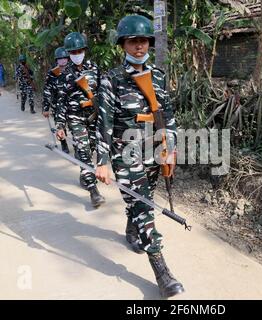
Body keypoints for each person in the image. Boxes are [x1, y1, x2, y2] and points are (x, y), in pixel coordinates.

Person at [95, 15, 184, 298]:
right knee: (144, 206)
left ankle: (132, 229)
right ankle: (162, 271)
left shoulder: (158, 75)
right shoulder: (111, 79)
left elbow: (167, 113)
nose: (139, 47)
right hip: (125, 153)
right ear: (123, 44)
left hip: (154, 150)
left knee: (145, 196)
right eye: (133, 41)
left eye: (143, 41)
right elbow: (104, 122)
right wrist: (103, 161)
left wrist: (171, 145)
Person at [55, 32, 105, 208]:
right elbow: (60, 101)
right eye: (73, 52)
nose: (77, 54)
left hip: (93, 116)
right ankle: (93, 191)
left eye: (79, 50)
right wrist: (59, 125)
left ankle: (84, 172)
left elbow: (103, 91)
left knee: (90, 148)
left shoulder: (94, 68)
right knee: (83, 151)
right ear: (68, 53)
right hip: (75, 117)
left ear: (84, 50)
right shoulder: (64, 74)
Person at [42, 47, 70, 153]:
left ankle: (78, 147)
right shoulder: (52, 73)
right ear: (56, 60)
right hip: (57, 105)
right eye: (60, 58)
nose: (62, 60)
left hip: (71, 104)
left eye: (64, 58)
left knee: (73, 125)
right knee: (60, 126)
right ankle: (64, 144)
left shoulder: (72, 70)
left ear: (68, 59)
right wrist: (46, 108)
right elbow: (47, 91)